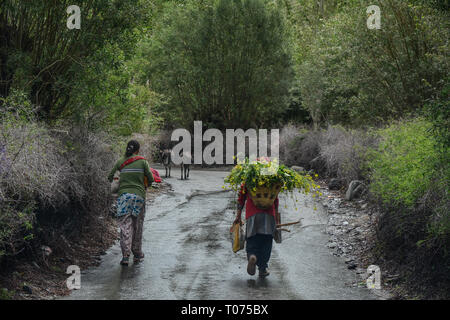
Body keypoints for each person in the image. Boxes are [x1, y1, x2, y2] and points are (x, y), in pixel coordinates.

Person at [108, 140, 154, 266]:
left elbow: (110, 177)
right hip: (139, 197)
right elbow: (151, 179)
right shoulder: (143, 161)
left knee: (125, 226)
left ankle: (125, 256)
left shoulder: (120, 161)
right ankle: (137, 253)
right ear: (137, 150)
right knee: (137, 225)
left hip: (123, 198)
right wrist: (145, 185)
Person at [234, 183, 279, 278]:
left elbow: (241, 198)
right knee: (266, 242)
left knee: (252, 239)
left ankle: (252, 256)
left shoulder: (249, 178)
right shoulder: (272, 179)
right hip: (269, 215)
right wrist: (277, 219)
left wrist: (238, 216)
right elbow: (275, 199)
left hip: (252, 215)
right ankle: (262, 268)